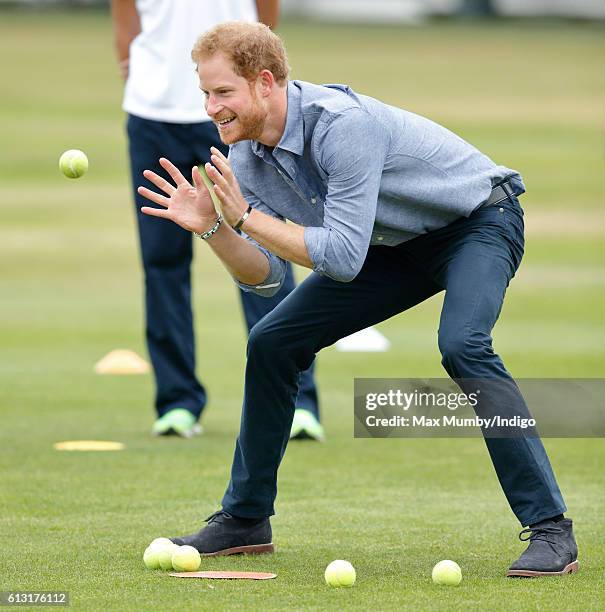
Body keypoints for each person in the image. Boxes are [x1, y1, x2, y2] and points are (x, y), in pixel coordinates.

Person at [137, 22, 578, 576]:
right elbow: (269, 277)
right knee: (273, 339)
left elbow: (341, 259)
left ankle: (550, 530)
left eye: (222, 92)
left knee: (463, 344)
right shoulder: (246, 158)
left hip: (477, 222)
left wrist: (247, 216)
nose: (210, 107)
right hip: (391, 245)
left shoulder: (341, 126)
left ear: (265, 83)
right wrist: (216, 231)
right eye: (206, 93)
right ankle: (246, 518)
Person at [110, 1, 323, 440]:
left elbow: (265, 18)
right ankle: (177, 401)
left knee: (266, 248)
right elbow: (125, 20)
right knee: (162, 260)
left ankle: (298, 400)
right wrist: (141, 73)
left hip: (234, 112)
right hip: (153, 113)